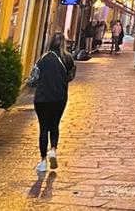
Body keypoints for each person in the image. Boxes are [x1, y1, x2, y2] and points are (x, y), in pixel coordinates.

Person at [33, 33, 76, 172]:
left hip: (42, 97)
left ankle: (43, 161)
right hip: (59, 97)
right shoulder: (68, 59)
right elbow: (71, 76)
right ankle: (53, 149)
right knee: (55, 125)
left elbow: (34, 77)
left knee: (43, 128)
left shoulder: (43, 58)